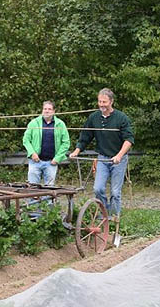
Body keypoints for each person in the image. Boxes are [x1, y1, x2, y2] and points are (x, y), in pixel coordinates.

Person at [69, 89, 134, 225]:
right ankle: (104, 214)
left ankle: (114, 218)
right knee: (97, 188)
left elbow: (129, 140)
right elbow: (85, 136)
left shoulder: (121, 118)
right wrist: (76, 151)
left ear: (111, 101)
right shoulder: (94, 118)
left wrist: (119, 155)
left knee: (116, 192)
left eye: (104, 102)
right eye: (99, 101)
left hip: (118, 159)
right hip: (102, 158)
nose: (101, 104)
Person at [22, 100, 70, 187]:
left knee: (49, 190)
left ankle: (48, 201)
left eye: (49, 109)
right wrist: (32, 153)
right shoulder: (34, 123)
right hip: (35, 161)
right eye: (45, 109)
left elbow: (66, 143)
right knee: (32, 188)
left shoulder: (60, 124)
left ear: (54, 111)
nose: (47, 111)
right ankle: (33, 201)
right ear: (42, 110)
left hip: (51, 162)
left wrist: (57, 158)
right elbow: (26, 140)